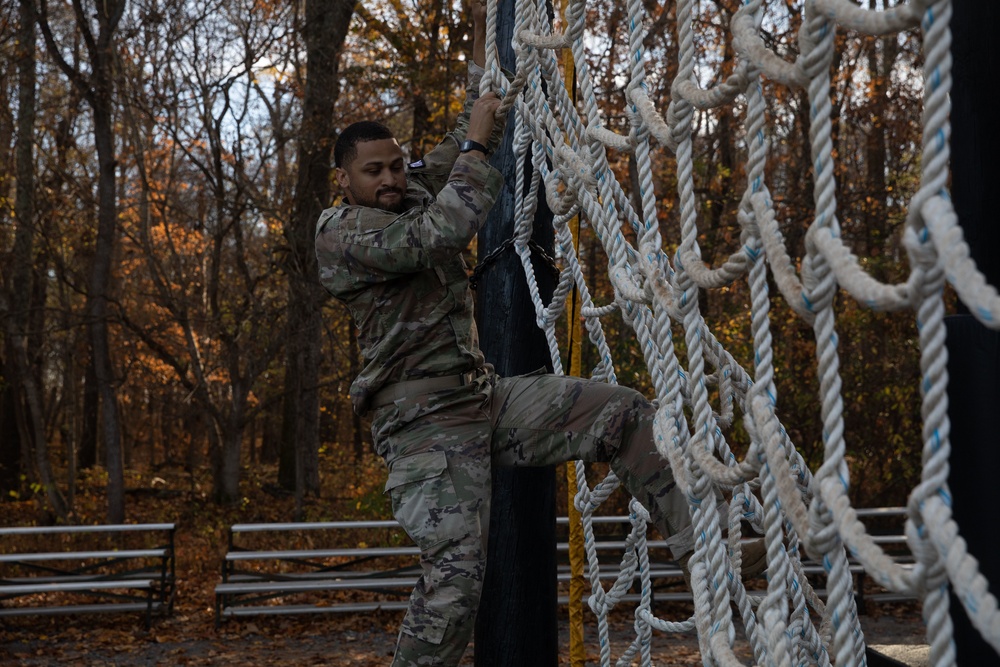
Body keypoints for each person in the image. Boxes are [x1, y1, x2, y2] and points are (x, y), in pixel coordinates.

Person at [315, 5, 755, 665]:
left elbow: (466, 131)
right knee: (457, 581)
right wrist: (473, 146)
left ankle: (706, 561)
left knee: (623, 413)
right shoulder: (342, 233)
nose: (389, 179)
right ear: (344, 179)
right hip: (421, 423)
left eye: (395, 168)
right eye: (372, 171)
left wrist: (487, 49)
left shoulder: (412, 192)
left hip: (484, 401)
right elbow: (441, 231)